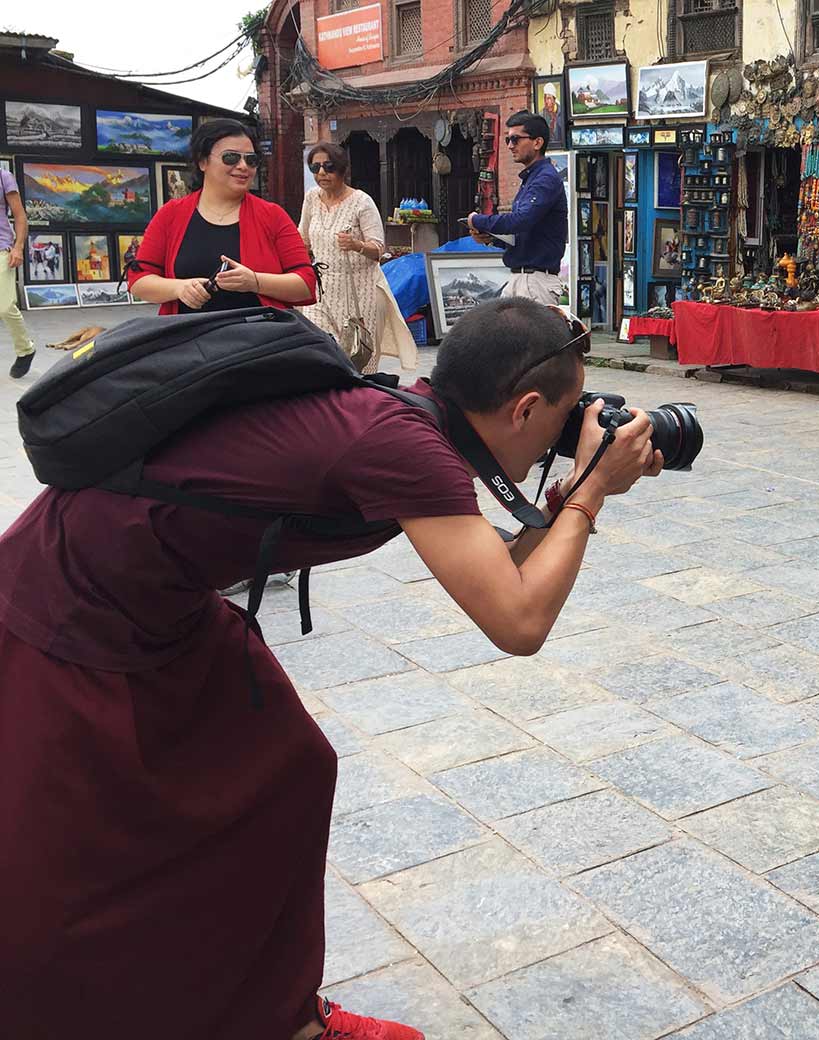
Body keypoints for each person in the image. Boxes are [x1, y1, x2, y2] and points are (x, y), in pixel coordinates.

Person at [0, 298, 663, 1039]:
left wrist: (570, 499)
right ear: (526, 408)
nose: (571, 437)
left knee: (289, 770)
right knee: (69, 852)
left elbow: (498, 574)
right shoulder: (401, 443)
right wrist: (592, 492)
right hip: (75, 601)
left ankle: (276, 1016)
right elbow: (518, 621)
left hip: (163, 599)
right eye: (569, 419)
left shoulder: (405, 420)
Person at [129, 118, 316, 314]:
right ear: (203, 161)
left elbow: (306, 283)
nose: (243, 166)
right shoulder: (171, 214)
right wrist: (179, 288)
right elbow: (139, 280)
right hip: (188, 331)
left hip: (260, 331)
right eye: (231, 157)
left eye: (251, 160)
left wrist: (255, 282)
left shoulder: (272, 216)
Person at [298, 141, 414, 372]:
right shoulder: (311, 198)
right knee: (318, 350)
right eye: (315, 168)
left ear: (342, 169)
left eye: (328, 167)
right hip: (322, 290)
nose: (321, 173)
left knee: (358, 362)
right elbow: (302, 239)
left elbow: (378, 249)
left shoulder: (362, 202)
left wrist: (356, 245)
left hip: (360, 292)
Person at [467, 111, 567, 305]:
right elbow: (523, 236)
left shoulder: (545, 179)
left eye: (515, 139)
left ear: (537, 143)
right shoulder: (533, 178)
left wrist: (477, 220)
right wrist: (490, 238)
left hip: (535, 281)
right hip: (520, 278)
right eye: (507, 140)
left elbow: (521, 220)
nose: (510, 146)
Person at [2, 161, 35, 379]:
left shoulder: (4, 177)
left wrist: (18, 247)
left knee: (4, 306)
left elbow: (20, 216)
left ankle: (25, 349)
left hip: (1, 249)